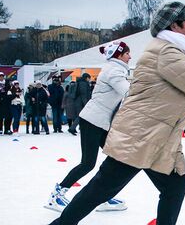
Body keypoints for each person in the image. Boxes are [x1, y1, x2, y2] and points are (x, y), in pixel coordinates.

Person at [26, 2, 185, 225]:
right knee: (103, 187)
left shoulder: (172, 52)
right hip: (141, 134)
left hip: (157, 137)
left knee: (175, 186)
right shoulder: (167, 51)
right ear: (174, 26)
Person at [46, 41, 132, 212]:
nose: (130, 56)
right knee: (88, 163)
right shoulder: (114, 70)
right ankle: (56, 195)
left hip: (101, 122)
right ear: (119, 55)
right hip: (93, 121)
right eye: (128, 53)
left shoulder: (116, 69)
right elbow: (129, 92)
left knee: (116, 158)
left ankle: (102, 196)